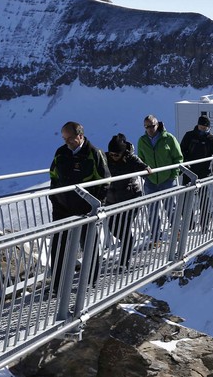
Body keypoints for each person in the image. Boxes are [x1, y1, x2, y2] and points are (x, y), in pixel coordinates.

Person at [49, 121, 111, 293]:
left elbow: (105, 180)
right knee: (59, 245)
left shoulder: (94, 153)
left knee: (89, 244)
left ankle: (91, 282)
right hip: (62, 208)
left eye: (69, 138)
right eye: (64, 138)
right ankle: (57, 285)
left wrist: (96, 204)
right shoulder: (61, 153)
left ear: (80, 136)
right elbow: (53, 176)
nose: (66, 142)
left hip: (86, 209)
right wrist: (54, 198)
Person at [105, 133, 151, 269]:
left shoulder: (130, 158)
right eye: (111, 154)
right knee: (113, 228)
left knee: (124, 229)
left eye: (116, 154)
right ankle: (128, 242)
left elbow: (144, 167)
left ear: (123, 152)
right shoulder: (106, 158)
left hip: (130, 199)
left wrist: (145, 169)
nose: (113, 157)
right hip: (112, 201)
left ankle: (124, 262)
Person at [137, 115, 183, 244]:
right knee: (152, 210)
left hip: (167, 179)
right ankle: (156, 237)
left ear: (157, 125)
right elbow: (141, 159)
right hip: (150, 181)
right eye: (147, 127)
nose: (150, 129)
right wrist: (144, 173)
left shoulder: (168, 138)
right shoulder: (142, 140)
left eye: (152, 126)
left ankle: (176, 232)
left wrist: (173, 175)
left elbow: (178, 157)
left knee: (171, 208)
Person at [180, 115, 213, 231]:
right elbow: (182, 150)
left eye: (205, 127)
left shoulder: (212, 139)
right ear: (197, 125)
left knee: (204, 199)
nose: (203, 129)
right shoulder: (189, 135)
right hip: (189, 171)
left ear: (208, 127)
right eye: (201, 126)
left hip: (204, 173)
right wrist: (185, 163)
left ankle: (204, 224)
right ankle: (190, 223)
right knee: (186, 199)